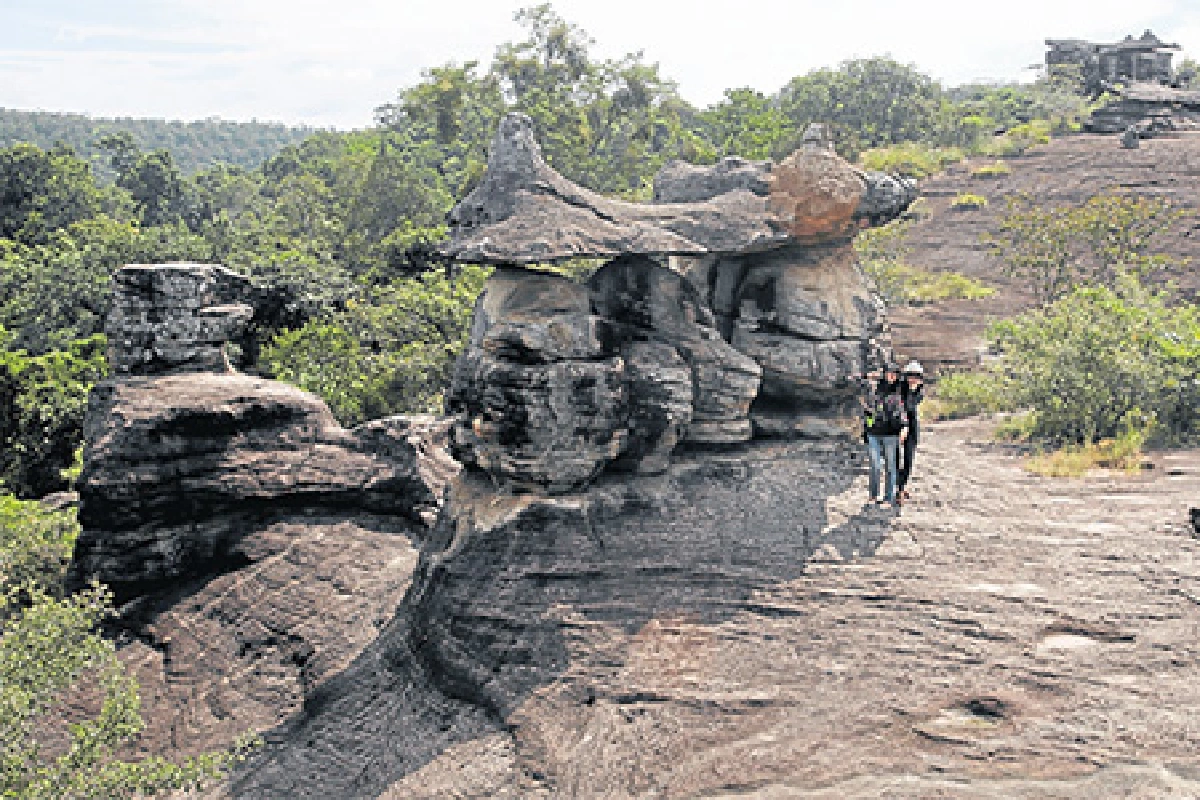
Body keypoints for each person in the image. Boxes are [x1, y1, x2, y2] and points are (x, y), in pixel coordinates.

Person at [862, 363, 908, 506]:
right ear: (884, 373)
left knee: (890, 466)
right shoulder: (874, 388)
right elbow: (854, 382)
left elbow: (902, 411)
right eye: (889, 373)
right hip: (873, 432)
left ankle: (889, 497)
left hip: (891, 433)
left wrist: (904, 427)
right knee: (875, 465)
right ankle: (873, 496)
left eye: (895, 374)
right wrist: (870, 375)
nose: (892, 376)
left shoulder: (899, 391)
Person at [897, 360, 925, 504]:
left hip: (912, 426)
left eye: (916, 376)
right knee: (894, 459)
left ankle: (901, 487)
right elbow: (903, 407)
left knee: (909, 459)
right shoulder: (899, 389)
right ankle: (898, 488)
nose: (913, 379)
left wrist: (912, 390)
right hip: (898, 425)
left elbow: (911, 405)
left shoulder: (920, 392)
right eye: (910, 375)